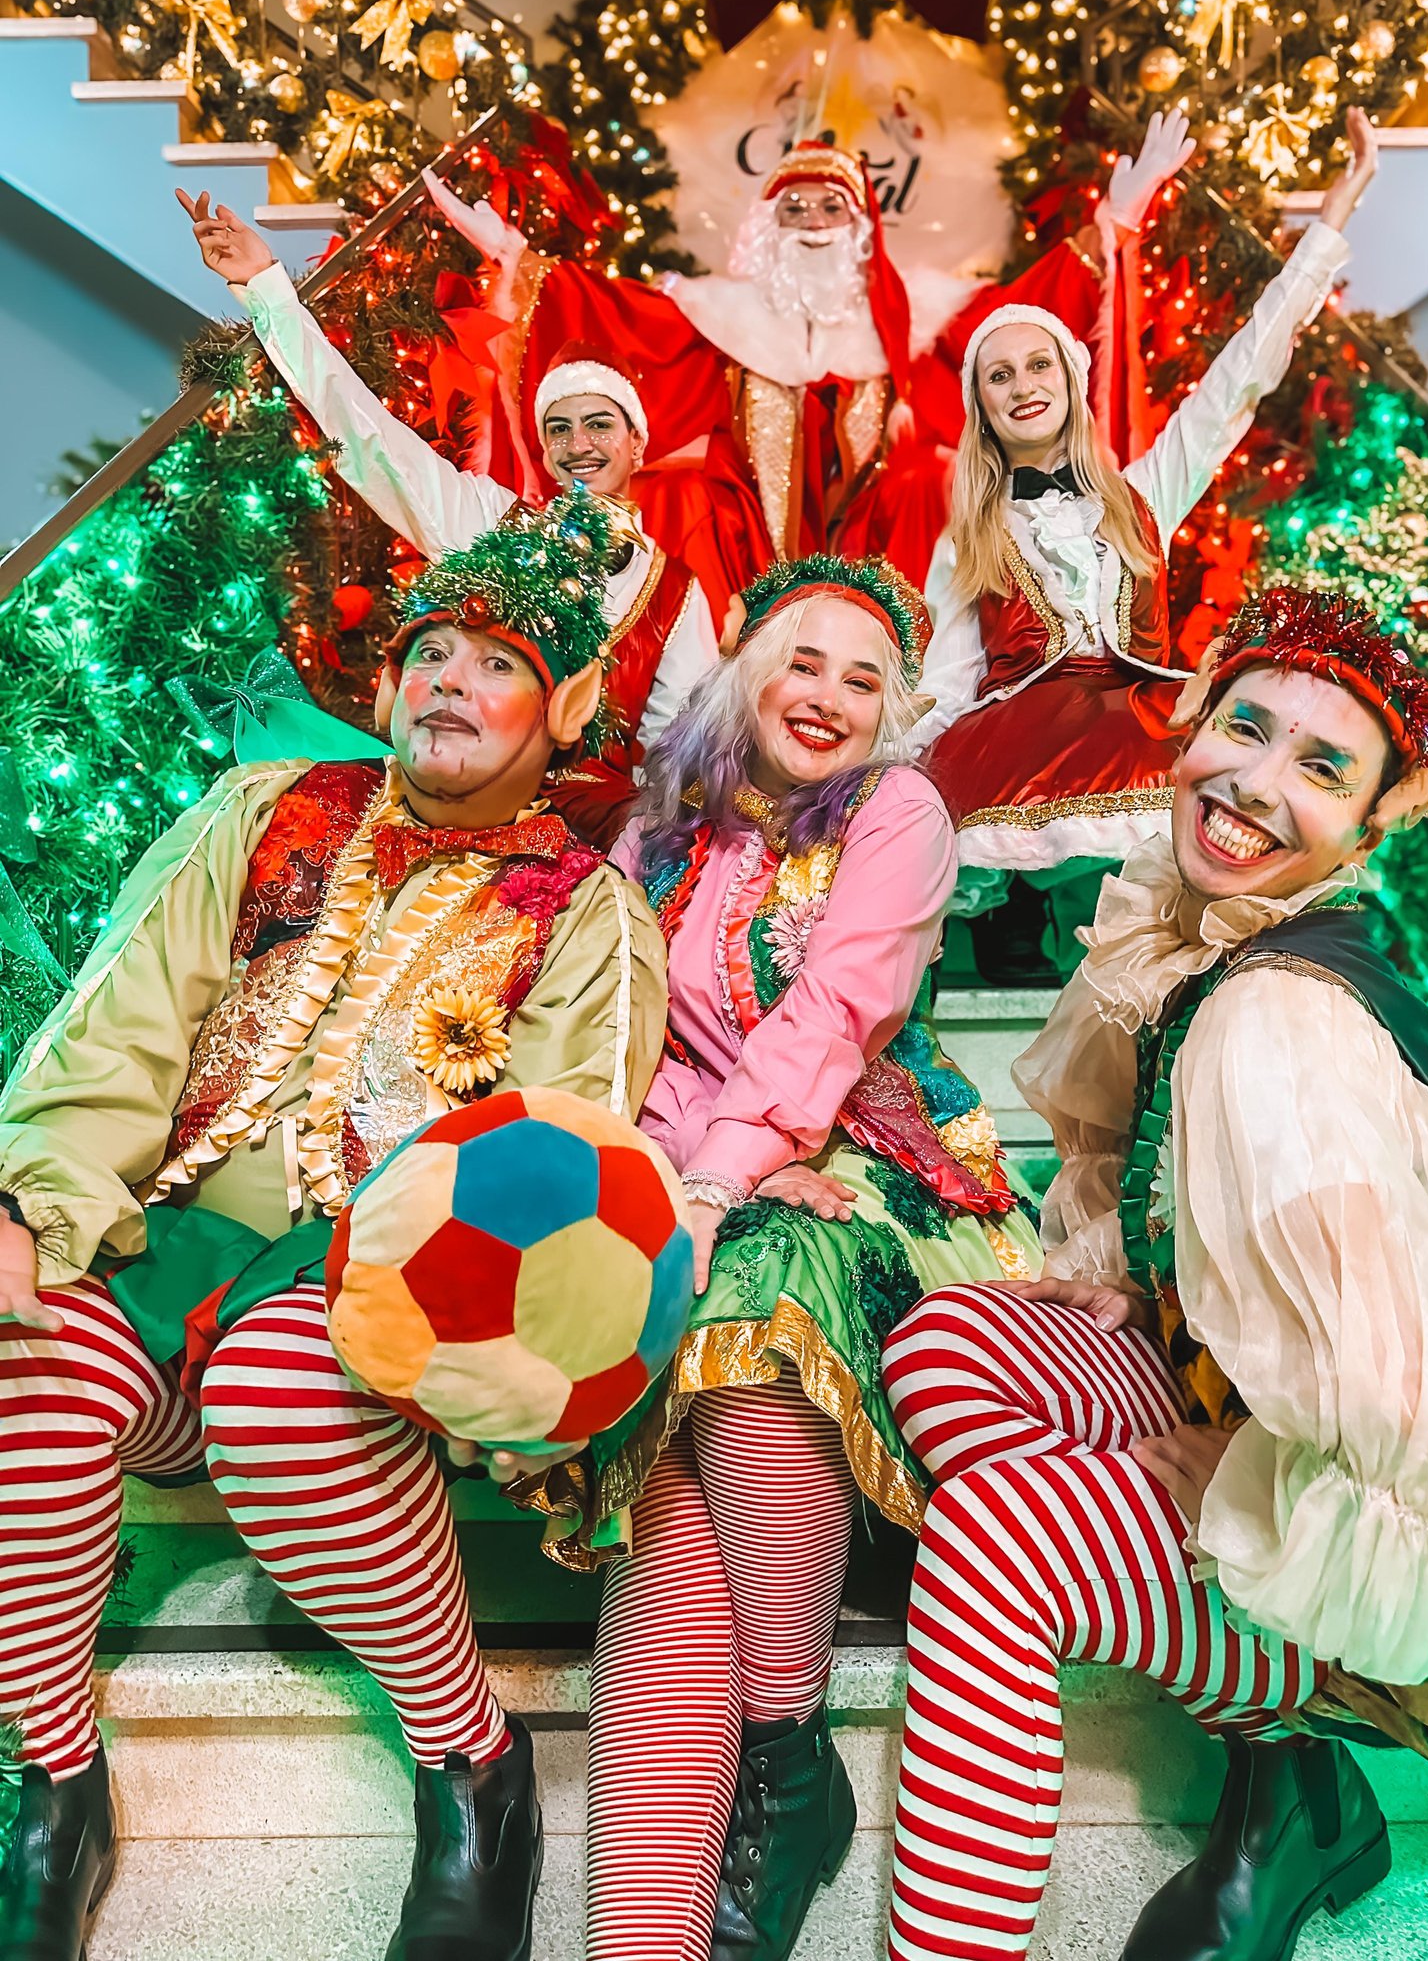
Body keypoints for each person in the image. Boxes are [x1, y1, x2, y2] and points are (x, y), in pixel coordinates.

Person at [878, 583, 1428, 1961]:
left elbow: (1416, 1407)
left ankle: (1296, 1764)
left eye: (1321, 768)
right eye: (1246, 727)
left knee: (998, 1542)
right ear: (1194, 721)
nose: (1254, 785)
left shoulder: (1282, 1018)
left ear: (1380, 816)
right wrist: (1126, 1280)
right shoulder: (1194, 927)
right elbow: (1121, 1158)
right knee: (948, 1340)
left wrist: (1283, 1494)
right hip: (1261, 1398)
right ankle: (1293, 1772)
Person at [0, 517, 667, 1961]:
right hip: (163, 1244)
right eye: (430, 650)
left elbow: (569, 1168)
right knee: (22, 1354)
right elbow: (116, 1030)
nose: (447, 681)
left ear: (561, 713)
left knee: (278, 1382)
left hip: (378, 1311)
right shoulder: (266, 810)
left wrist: (505, 1354)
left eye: (498, 664)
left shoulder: (588, 910)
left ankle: (471, 1760)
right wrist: (30, 1211)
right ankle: (53, 1779)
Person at [507, 553, 1042, 1961]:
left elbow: (834, 1018)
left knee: (754, 1281)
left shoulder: (902, 814)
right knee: (666, 1492)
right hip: (701, 1171)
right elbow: (633, 1043)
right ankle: (709, 1864)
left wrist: (718, 1182)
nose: (829, 696)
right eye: (803, 661)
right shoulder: (656, 834)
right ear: (742, 669)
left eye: (865, 680)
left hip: (879, 1174)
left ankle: (787, 1729)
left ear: (894, 714)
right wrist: (680, 1179)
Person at [914, 109, 1380, 982]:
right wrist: (901, 789)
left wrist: (1336, 211)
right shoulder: (968, 538)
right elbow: (944, 681)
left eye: (1039, 364)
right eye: (999, 375)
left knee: (1199, 760)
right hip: (1020, 743)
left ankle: (1159, 936)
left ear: (1072, 379)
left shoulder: (1143, 494)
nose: (1023, 386)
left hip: (1141, 718)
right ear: (981, 406)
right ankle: (1025, 918)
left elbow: (1244, 372)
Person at [423, 115, 1197, 590]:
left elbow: (1023, 322)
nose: (815, 221)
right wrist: (517, 258)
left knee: (929, 477)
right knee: (681, 500)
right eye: (794, 207)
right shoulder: (716, 316)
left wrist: (1113, 224)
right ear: (767, 226)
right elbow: (616, 320)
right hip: (740, 557)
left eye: (833, 206)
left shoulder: (914, 322)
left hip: (884, 557)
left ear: (861, 226)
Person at [178, 188, 719, 846]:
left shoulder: (678, 593)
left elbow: (678, 758)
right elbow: (369, 438)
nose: (580, 444)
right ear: (544, 450)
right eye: (560, 428)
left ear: (637, 443)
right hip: (450, 783)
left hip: (582, 833)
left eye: (600, 424)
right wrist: (268, 290)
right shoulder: (494, 522)